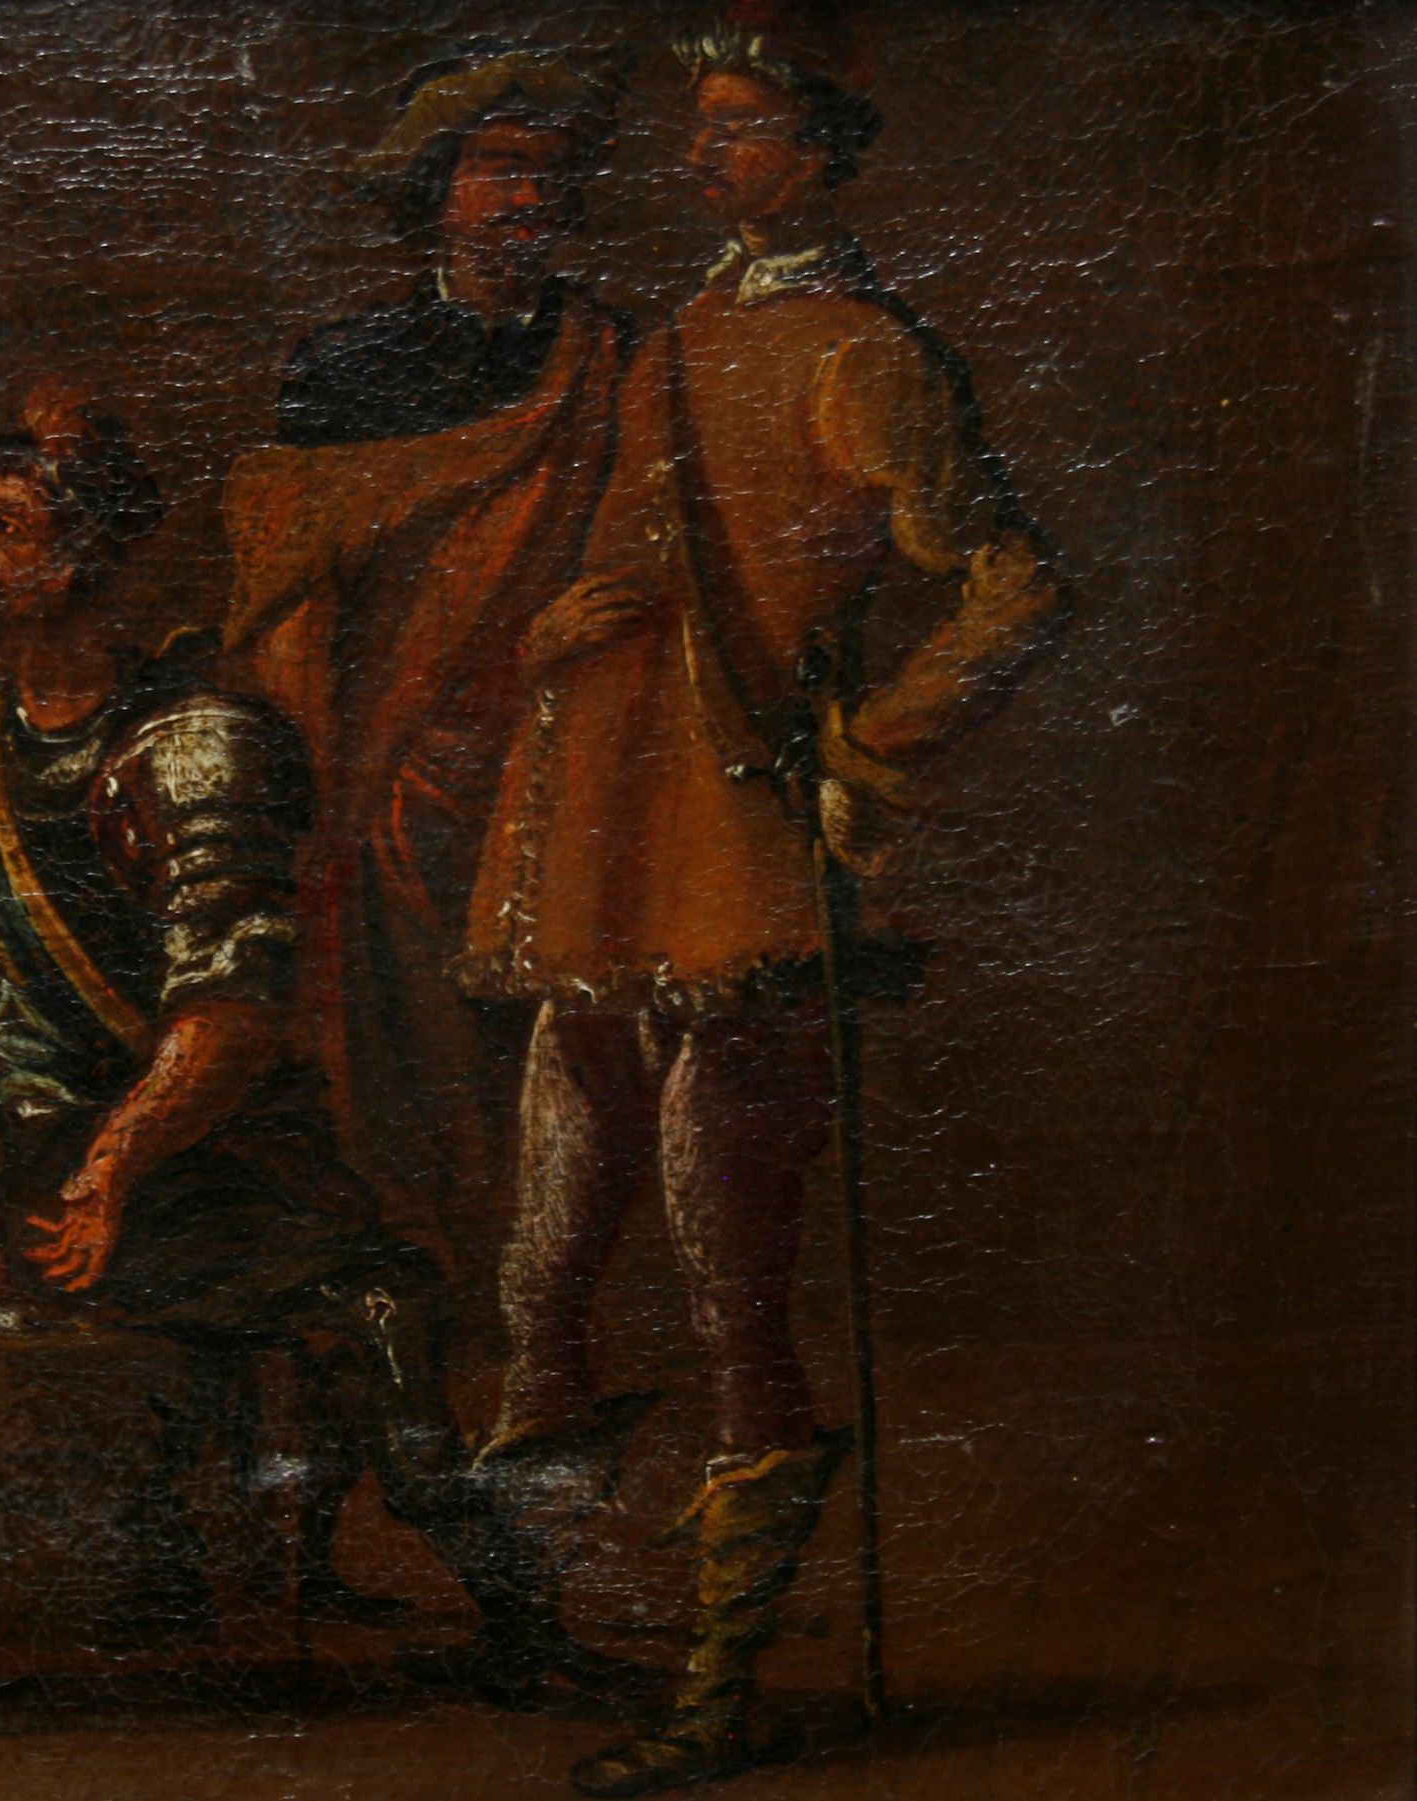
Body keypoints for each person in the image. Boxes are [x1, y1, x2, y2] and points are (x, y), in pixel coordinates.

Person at [458, 4, 1070, 1791]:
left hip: (736, 859)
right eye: (703, 124)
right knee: (542, 1269)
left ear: (817, 151)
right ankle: (551, 1611)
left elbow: (1012, 583)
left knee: (733, 1288)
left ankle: (717, 1690)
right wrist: (568, 622)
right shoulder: (674, 339)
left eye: (737, 126)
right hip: (603, 844)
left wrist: (869, 744)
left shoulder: (865, 352)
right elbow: (643, 548)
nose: (703, 154)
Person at [0, 383, 640, 1694]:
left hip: (171, 1150)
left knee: (361, 1260)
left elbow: (229, 1012)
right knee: (384, 1296)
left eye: (3, 527)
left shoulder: (196, 744)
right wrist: (21, 1226)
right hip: (107, 1178)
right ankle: (504, 1607)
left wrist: (100, 1172)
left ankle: (328, 1573)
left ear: (83, 558)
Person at [221, 43, 636, 1312]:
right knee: (388, 1025)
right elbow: (289, 600)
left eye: (548, 174)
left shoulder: (615, 359)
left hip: (563, 741)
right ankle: (425, 1276)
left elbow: (640, 556)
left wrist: (555, 648)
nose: (526, 199)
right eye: (497, 168)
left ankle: (547, 1302)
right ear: (435, 188)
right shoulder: (343, 369)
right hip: (384, 762)